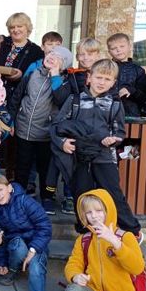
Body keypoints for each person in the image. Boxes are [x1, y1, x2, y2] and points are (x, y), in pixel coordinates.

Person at [50, 59, 143, 238]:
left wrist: (113, 140)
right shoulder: (75, 100)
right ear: (89, 77)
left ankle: (132, 231)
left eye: (107, 79)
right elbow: (57, 125)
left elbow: (119, 131)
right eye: (99, 77)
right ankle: (86, 233)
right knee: (82, 194)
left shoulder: (115, 104)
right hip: (79, 156)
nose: (102, 82)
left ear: (113, 83)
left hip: (104, 156)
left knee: (113, 193)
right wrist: (63, 142)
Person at [9, 46, 74, 214]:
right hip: (24, 129)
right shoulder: (33, 73)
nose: (52, 57)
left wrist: (55, 75)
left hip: (46, 133)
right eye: (51, 53)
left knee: (46, 169)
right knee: (22, 166)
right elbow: (17, 96)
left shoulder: (65, 81)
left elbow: (60, 99)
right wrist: (11, 120)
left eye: (58, 57)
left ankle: (47, 198)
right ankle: (19, 198)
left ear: (64, 65)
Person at [48, 37, 104, 214]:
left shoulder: (105, 74)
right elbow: (59, 97)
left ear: (98, 55)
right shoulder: (74, 74)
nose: (86, 58)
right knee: (71, 162)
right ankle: (69, 196)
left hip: (97, 127)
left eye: (90, 54)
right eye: (82, 54)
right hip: (76, 126)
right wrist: (55, 74)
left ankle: (93, 201)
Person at [106, 33, 145, 117]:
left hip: (130, 114)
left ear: (130, 47)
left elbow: (143, 96)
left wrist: (130, 90)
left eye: (122, 46)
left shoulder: (138, 70)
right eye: (114, 48)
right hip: (107, 112)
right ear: (109, 52)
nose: (118, 50)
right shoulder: (105, 68)